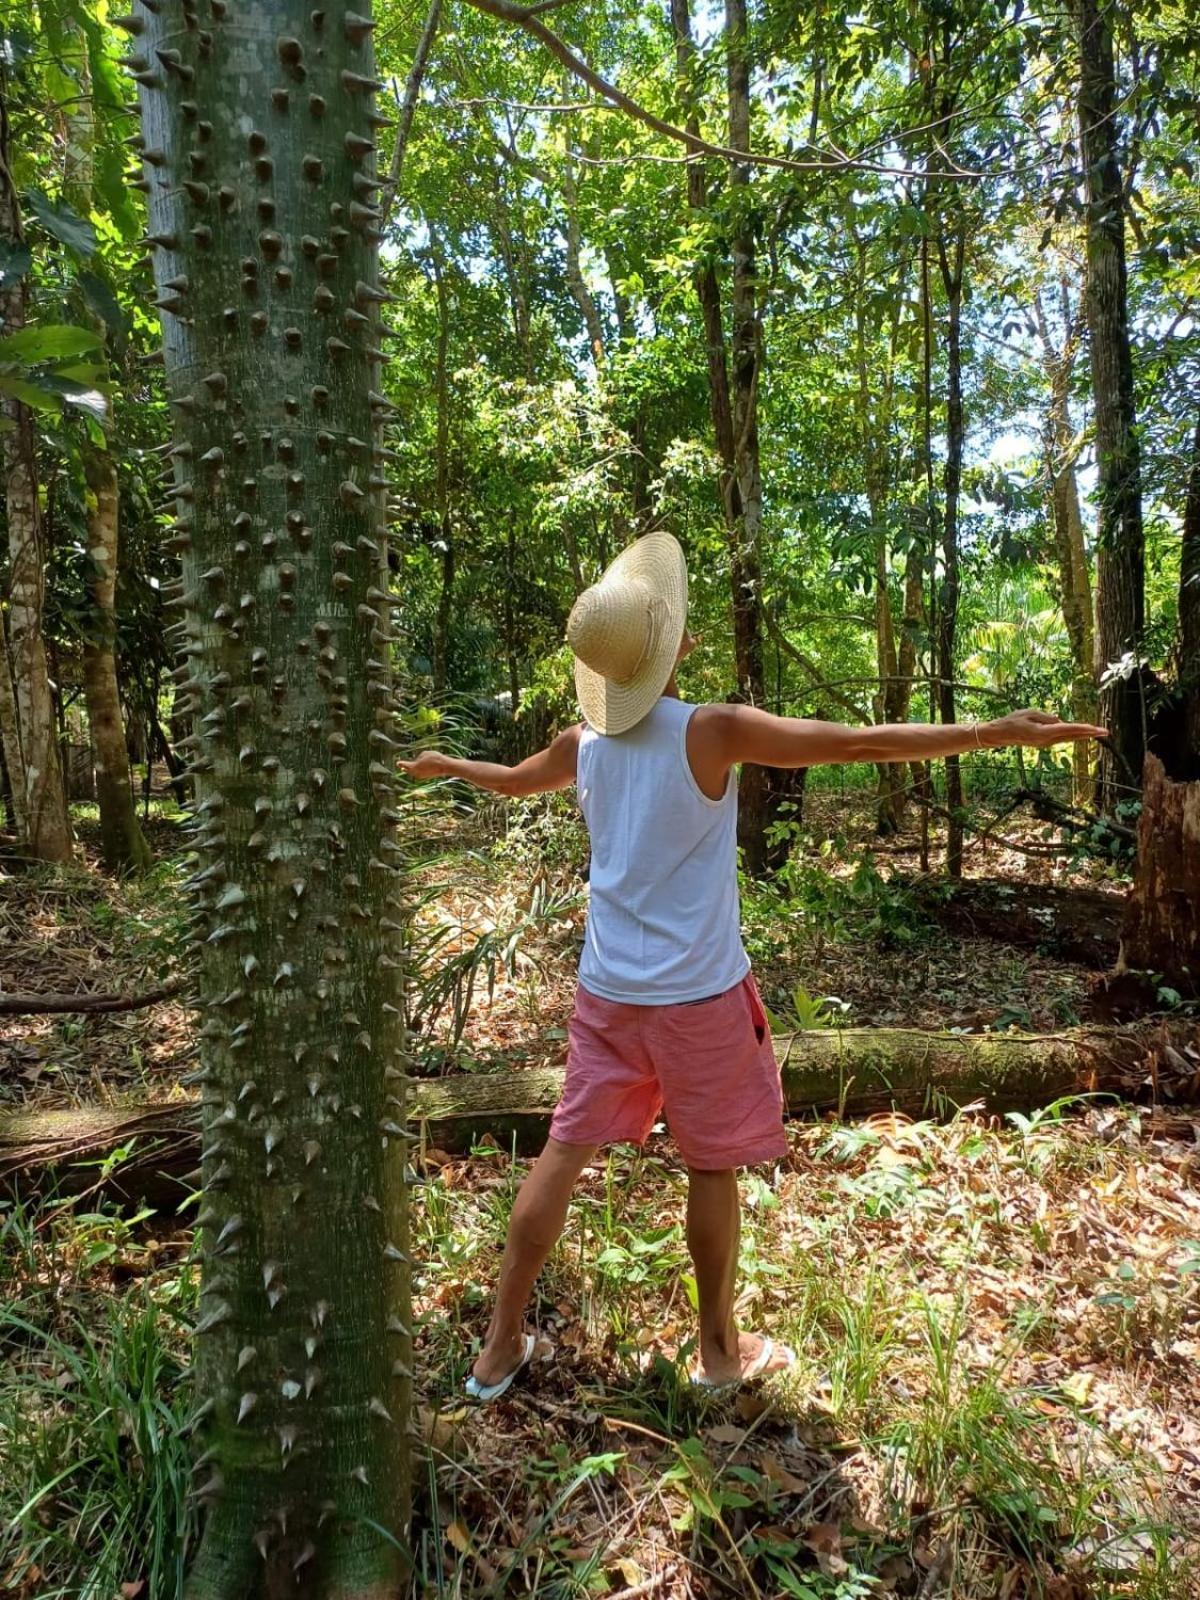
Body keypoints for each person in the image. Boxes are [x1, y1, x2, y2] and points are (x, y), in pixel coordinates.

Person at [399, 532, 1107, 1401]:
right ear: (673, 648)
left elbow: (511, 779)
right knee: (709, 1167)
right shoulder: (711, 730)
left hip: (608, 994)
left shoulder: (581, 744)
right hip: (699, 997)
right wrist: (994, 730)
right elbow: (859, 745)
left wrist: (445, 764)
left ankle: (498, 1348)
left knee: (564, 1151)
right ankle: (720, 1355)